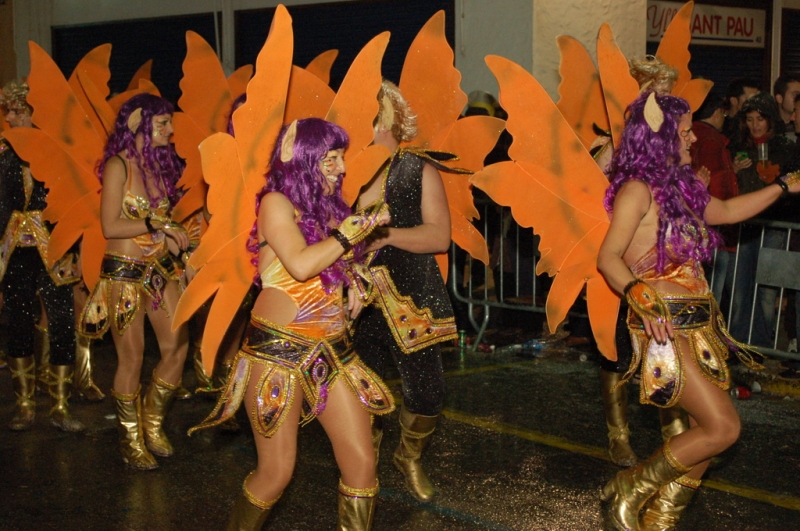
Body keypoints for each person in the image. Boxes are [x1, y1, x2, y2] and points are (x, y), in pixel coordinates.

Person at [597, 91, 800, 530]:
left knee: (701, 431)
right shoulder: (637, 191)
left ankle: (661, 518)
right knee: (723, 429)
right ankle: (631, 485)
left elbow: (726, 211)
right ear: (661, 138)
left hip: (699, 324)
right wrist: (637, 291)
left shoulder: (682, 187)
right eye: (684, 131)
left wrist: (783, 187)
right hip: (662, 327)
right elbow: (608, 257)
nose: (692, 138)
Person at [190, 118, 395, 530]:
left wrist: (357, 279)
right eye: (331, 159)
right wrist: (347, 237)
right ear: (304, 159)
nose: (340, 167)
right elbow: (301, 265)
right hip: (277, 354)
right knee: (276, 473)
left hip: (332, 351)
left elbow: (332, 266)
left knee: (362, 464)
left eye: (340, 158)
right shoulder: (276, 203)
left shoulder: (330, 208)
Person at [354, 80, 457, 503]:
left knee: (428, 393)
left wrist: (387, 235)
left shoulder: (417, 168)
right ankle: (364, 461)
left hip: (412, 298)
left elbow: (439, 236)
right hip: (357, 299)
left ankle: (409, 456)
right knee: (361, 389)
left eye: (375, 115)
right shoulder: (341, 168)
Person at [81, 93, 190, 469]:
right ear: (140, 124)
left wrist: (179, 240)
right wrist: (153, 223)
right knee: (132, 357)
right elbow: (110, 225)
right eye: (163, 124)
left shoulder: (158, 168)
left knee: (177, 345)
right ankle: (130, 439)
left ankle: (153, 422)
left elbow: (163, 223)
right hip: (123, 273)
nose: (171, 131)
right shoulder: (118, 166)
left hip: (159, 270)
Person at [0, 79, 85, 432]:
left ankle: (61, 405)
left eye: (20, 110)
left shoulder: (57, 151)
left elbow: (74, 202)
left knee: (63, 322)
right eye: (10, 110)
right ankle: (24, 403)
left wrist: (76, 248)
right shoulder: (2, 154)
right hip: (15, 253)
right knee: (17, 323)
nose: (13, 116)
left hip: (55, 249)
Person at [729, 93, 800, 349]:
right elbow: (728, 187)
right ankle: (739, 342)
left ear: (770, 120)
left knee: (767, 288)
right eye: (749, 119)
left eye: (760, 119)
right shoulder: (739, 146)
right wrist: (734, 171)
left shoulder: (785, 146)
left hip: (774, 224)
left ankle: (760, 345)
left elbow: (794, 183)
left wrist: (779, 179)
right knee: (741, 285)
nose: (755, 125)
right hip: (746, 223)